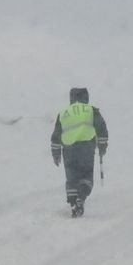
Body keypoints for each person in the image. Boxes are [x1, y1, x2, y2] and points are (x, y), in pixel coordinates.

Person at [50, 87, 108, 217]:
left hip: (68, 149)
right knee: (86, 176)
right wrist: (102, 145)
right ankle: (80, 198)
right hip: (86, 147)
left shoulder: (64, 113)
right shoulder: (91, 110)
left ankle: (73, 205)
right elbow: (101, 127)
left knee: (72, 177)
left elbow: (56, 135)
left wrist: (56, 153)